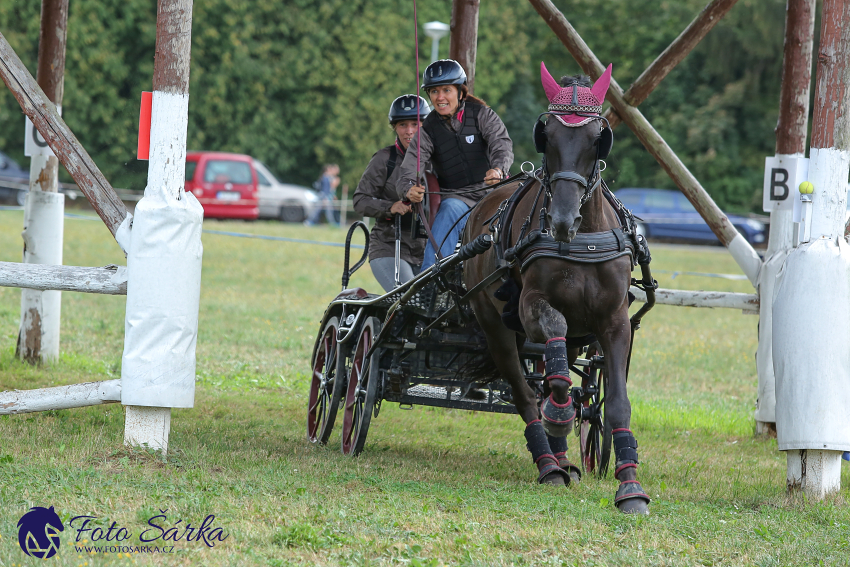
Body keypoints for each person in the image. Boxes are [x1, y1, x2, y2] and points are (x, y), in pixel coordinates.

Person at [396, 59, 513, 271]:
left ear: (460, 92)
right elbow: (410, 167)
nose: (440, 97)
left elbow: (501, 146)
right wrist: (408, 189)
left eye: (446, 90)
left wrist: (498, 169)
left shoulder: (482, 115)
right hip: (459, 199)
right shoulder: (428, 130)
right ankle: (430, 281)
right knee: (449, 208)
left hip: (495, 193)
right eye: (433, 91)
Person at [353, 95, 431, 292]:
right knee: (409, 298)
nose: (409, 131)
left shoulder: (438, 161)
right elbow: (360, 200)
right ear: (394, 128)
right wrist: (390, 207)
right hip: (389, 245)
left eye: (416, 123)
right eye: (403, 125)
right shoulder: (384, 159)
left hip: (429, 249)